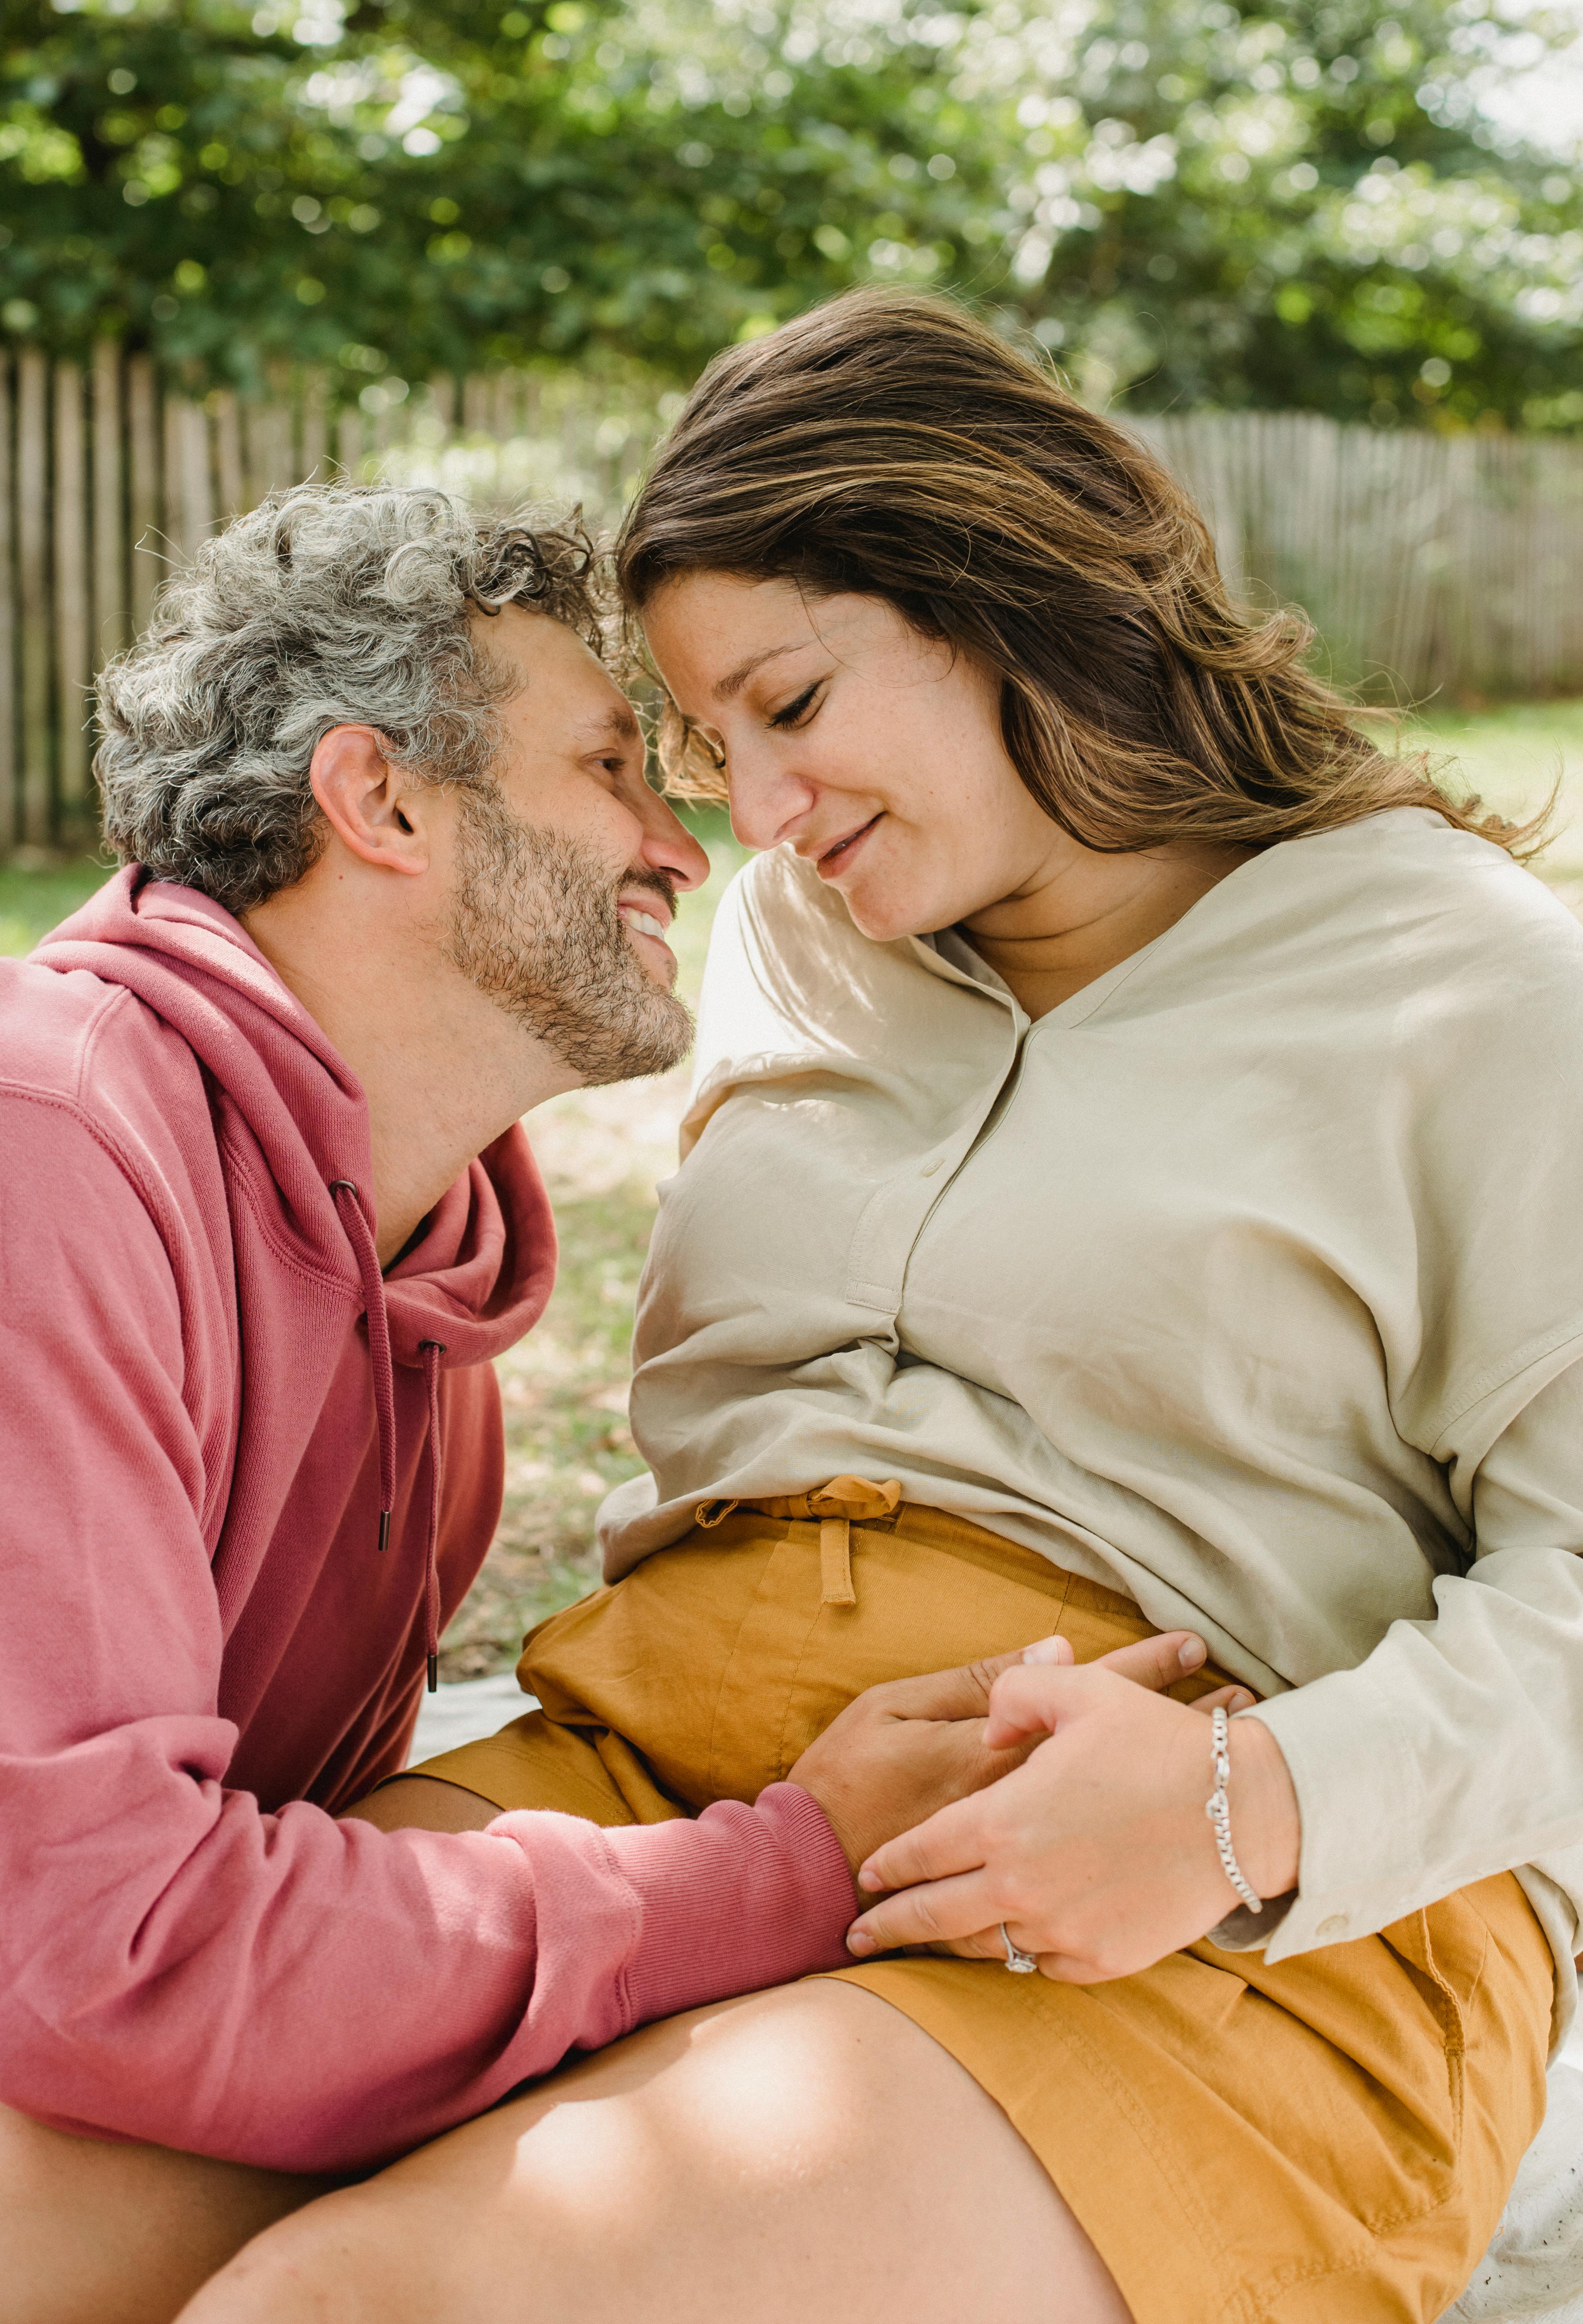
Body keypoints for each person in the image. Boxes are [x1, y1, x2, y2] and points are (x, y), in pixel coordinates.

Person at [181, 293, 1583, 2324]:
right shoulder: (805, 946)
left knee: (346, 2313)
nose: (753, 813)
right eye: (707, 748)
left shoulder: (1467, 985)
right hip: (661, 1783)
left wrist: (1237, 1808)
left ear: (998, 592)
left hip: (1183, 1897)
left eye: (793, 704)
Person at [0, 478, 1125, 2324]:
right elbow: (105, 1949)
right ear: (380, 802)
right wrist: (778, 1874)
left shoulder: (422, 1301)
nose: (686, 843)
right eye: (612, 765)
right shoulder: (54, 1138)